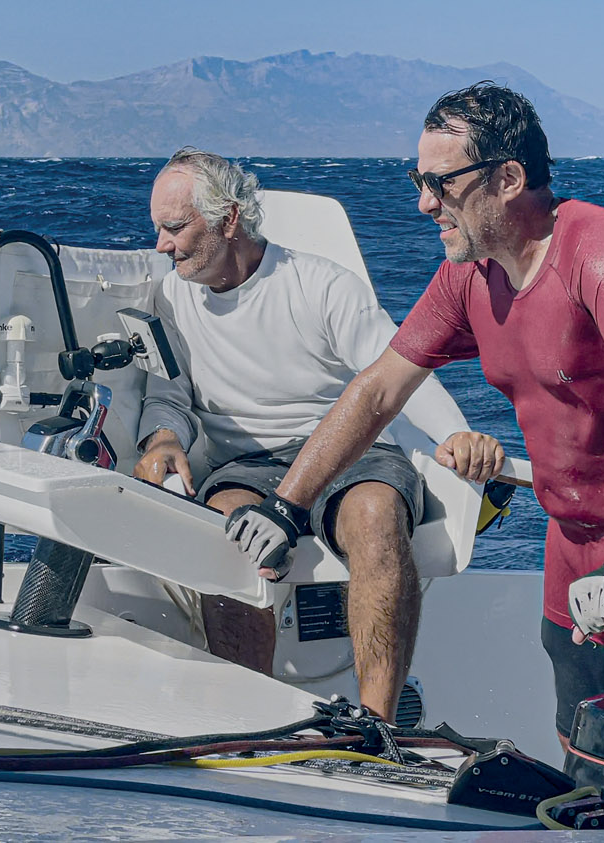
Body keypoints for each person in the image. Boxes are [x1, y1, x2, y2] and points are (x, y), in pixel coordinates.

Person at [236, 83, 604, 810]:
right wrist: (289, 503)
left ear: (507, 179)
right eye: (418, 182)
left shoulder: (597, 247)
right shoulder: (469, 276)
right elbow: (378, 389)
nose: (423, 203)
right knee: (585, 746)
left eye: (439, 184)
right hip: (576, 535)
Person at [134, 147, 483, 724]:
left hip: (352, 454)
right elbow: (168, 394)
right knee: (228, 530)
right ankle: (249, 717)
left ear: (228, 220)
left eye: (174, 228)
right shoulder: (171, 295)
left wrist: (456, 435)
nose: (161, 246)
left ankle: (378, 726)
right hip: (244, 464)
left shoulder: (320, 285)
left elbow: (397, 373)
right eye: (158, 230)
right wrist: (163, 439)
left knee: (376, 516)